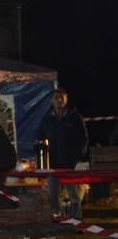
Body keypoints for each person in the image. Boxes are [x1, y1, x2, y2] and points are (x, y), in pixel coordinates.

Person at [37, 88, 88, 218]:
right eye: (56, 98)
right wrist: (42, 159)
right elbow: (39, 139)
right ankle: (55, 223)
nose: (59, 100)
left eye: (61, 97)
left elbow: (84, 139)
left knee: (74, 196)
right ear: (51, 101)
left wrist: (77, 158)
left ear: (66, 99)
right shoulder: (46, 119)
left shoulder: (75, 117)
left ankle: (77, 223)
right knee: (52, 196)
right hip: (52, 165)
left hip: (70, 164)